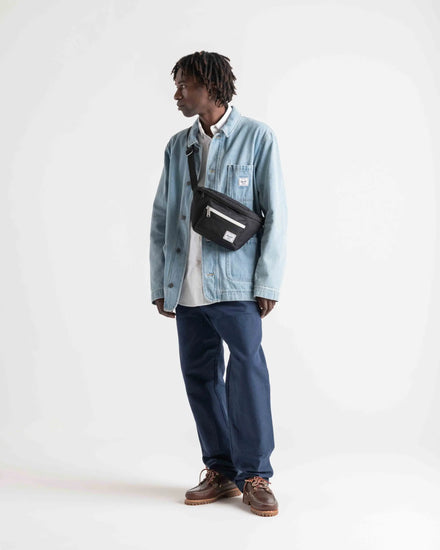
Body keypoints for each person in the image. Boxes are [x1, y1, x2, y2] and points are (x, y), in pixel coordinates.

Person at [149, 51, 287, 517]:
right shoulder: (178, 146)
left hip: (236, 285)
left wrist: (267, 281)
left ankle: (256, 475)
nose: (177, 94)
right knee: (200, 377)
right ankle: (221, 469)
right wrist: (161, 282)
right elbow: (163, 216)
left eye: (184, 85)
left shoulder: (257, 137)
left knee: (247, 374)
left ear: (210, 87)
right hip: (186, 284)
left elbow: (276, 214)